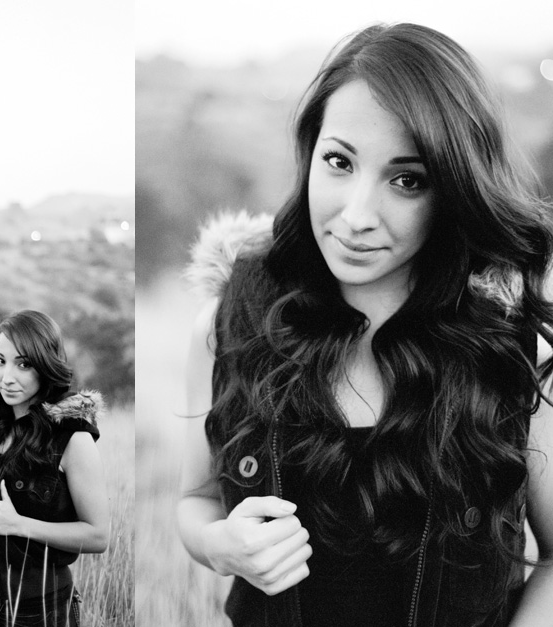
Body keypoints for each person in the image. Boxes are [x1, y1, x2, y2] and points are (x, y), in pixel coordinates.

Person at [178, 23, 553, 627]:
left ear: (453, 189)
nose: (355, 216)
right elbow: (193, 502)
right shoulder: (228, 324)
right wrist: (220, 546)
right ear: (310, 155)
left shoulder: (510, 348)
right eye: (339, 161)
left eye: (407, 180)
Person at [0, 310, 109, 627]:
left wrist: (20, 524)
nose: (7, 376)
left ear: (45, 364)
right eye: (0, 360)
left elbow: (97, 536)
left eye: (23, 364)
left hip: (40, 611)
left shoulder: (72, 435)